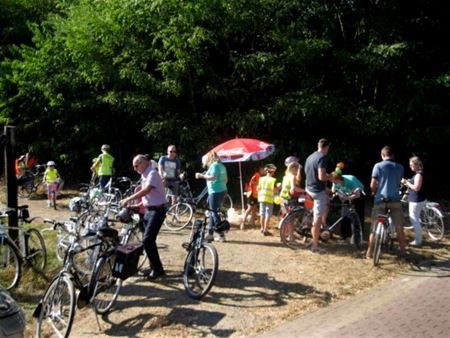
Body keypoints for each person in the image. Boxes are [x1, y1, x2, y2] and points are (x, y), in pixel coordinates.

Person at [120, 154, 167, 280]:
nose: (135, 169)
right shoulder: (144, 174)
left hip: (157, 211)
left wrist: (128, 199)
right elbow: (149, 196)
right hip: (149, 210)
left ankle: (158, 270)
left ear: (144, 163)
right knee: (148, 241)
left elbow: (146, 190)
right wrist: (137, 204)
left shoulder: (152, 173)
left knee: (147, 240)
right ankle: (154, 267)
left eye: (136, 166)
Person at [366, 146, 406, 259]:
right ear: (392, 155)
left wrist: (374, 192)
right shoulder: (400, 167)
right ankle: (403, 252)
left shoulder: (377, 166)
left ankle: (369, 252)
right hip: (395, 200)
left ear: (382, 155)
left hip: (380, 200)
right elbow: (398, 182)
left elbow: (372, 185)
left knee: (374, 227)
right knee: (399, 227)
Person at [304, 138, 334, 253]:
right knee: (318, 219)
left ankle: (310, 230)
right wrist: (331, 178)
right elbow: (321, 177)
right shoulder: (322, 158)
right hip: (317, 191)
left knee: (322, 203)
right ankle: (315, 245)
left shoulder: (310, 156)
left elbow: (312, 173)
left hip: (309, 187)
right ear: (326, 147)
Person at [195, 151, 228, 242]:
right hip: (222, 190)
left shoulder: (214, 166)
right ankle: (210, 233)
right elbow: (226, 180)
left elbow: (212, 177)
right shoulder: (222, 166)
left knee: (213, 213)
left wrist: (201, 176)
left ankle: (221, 235)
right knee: (212, 212)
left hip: (214, 192)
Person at [330, 170, 365, 241]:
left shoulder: (350, 181)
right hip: (346, 193)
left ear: (339, 179)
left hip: (358, 194)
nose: (333, 183)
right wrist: (339, 196)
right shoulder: (335, 181)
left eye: (335, 182)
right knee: (344, 214)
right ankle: (345, 235)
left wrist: (347, 198)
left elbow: (357, 195)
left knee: (357, 214)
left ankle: (358, 236)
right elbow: (334, 190)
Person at [401, 156, 426, 246]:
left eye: (411, 165)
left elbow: (416, 188)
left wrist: (407, 183)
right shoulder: (419, 173)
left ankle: (418, 240)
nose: (410, 167)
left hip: (416, 200)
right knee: (416, 219)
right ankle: (419, 238)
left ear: (416, 165)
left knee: (414, 220)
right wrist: (409, 182)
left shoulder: (419, 174)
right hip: (419, 199)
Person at [241, 165, 265, 230]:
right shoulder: (257, 174)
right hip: (251, 194)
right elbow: (252, 182)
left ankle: (252, 223)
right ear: (260, 169)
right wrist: (259, 183)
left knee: (255, 209)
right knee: (250, 208)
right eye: (264, 169)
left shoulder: (260, 176)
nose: (265, 171)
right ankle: (243, 223)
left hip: (256, 195)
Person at [257, 164, 278, 236]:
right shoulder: (273, 180)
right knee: (267, 214)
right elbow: (274, 190)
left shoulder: (261, 179)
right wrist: (278, 188)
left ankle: (262, 228)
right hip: (269, 198)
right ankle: (265, 230)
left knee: (262, 214)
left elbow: (258, 189)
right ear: (273, 172)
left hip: (261, 198)